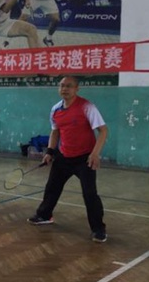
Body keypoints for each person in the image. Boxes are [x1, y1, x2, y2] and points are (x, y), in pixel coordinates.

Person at [27, 76, 109, 243]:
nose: (65, 89)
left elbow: (103, 131)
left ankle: (98, 229)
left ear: (77, 89)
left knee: (90, 194)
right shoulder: (55, 109)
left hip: (85, 158)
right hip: (63, 156)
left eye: (69, 86)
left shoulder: (87, 106)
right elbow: (55, 131)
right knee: (52, 187)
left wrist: (95, 153)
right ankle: (44, 215)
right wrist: (50, 151)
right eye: (62, 86)